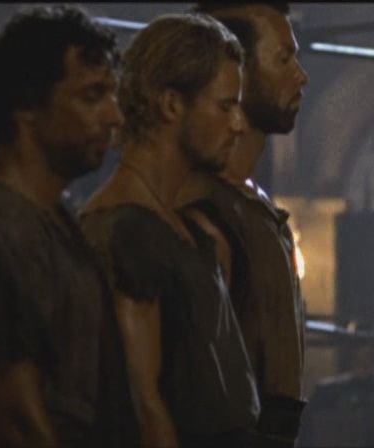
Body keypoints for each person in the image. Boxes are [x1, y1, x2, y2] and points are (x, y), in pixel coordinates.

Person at [78, 13, 260, 447]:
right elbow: (144, 404)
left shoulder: (184, 227)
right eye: (225, 106)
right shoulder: (127, 232)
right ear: (172, 104)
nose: (238, 124)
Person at [0, 6, 133, 447]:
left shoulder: (53, 219)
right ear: (27, 105)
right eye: (92, 96)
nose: (114, 117)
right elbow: (10, 410)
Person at [177, 2, 310, 446]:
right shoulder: (202, 211)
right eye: (283, 59)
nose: (301, 76)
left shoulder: (255, 208)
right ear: (236, 70)